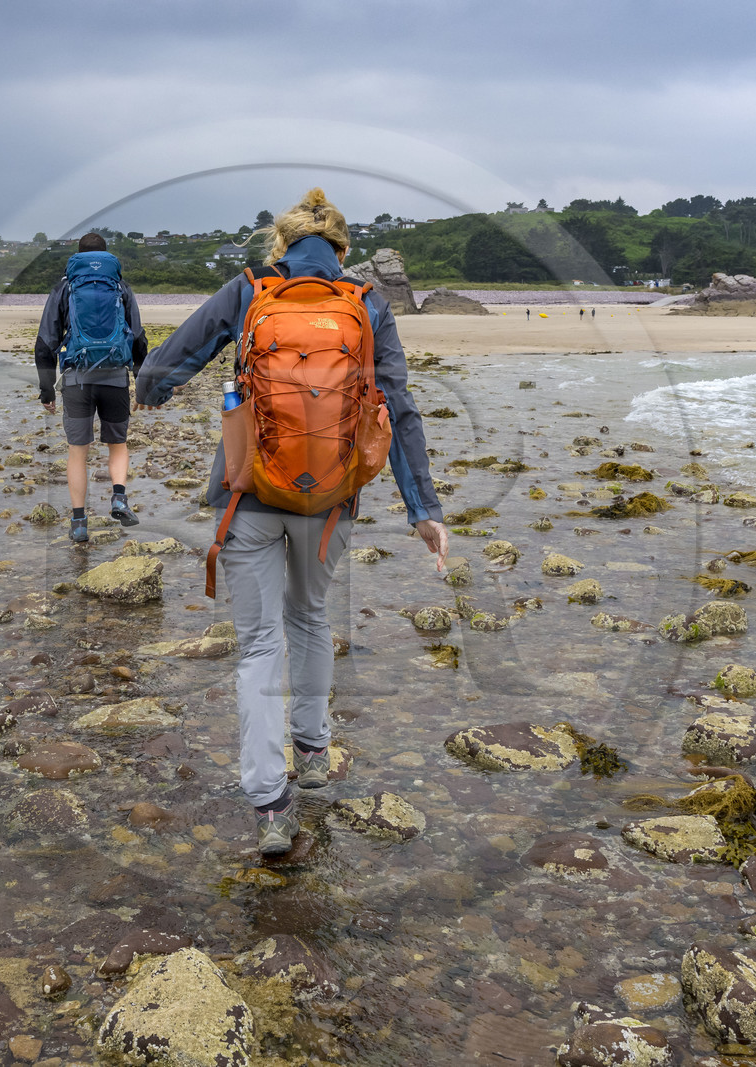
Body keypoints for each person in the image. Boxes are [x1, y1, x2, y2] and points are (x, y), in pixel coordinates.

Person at [136, 189, 448, 855]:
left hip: (247, 492)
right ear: (342, 251)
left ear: (280, 245)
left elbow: (165, 365)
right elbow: (398, 406)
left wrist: (150, 393)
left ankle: (270, 808)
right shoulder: (366, 302)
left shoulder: (249, 289)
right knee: (309, 617)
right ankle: (311, 752)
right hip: (329, 500)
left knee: (256, 646)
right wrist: (424, 510)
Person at [35, 233, 149, 543]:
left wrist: (46, 391)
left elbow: (45, 343)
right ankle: (119, 497)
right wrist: (142, 383)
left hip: (76, 381)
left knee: (77, 453)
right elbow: (138, 338)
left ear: (77, 256)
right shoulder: (120, 287)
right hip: (114, 378)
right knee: (118, 444)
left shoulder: (66, 287)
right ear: (106, 255)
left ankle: (79, 522)